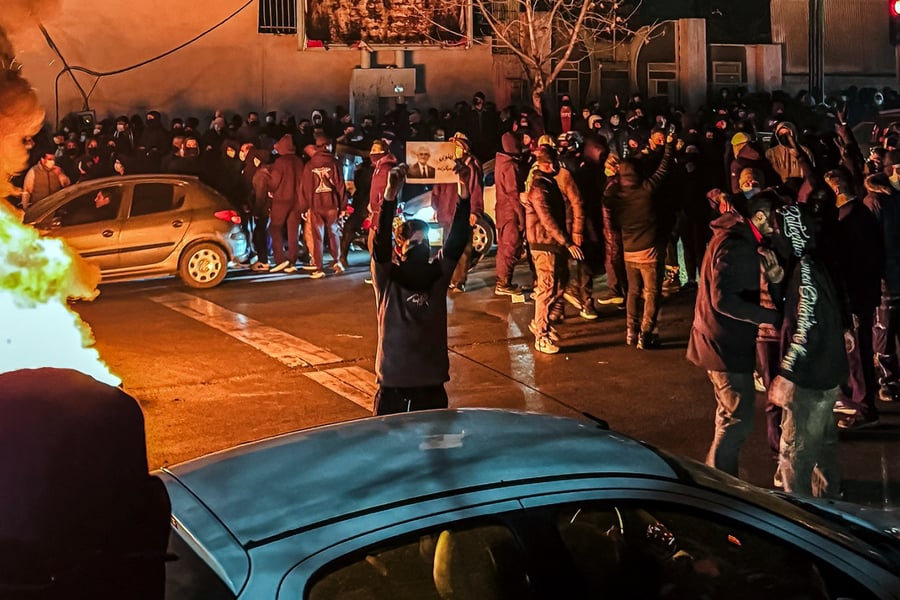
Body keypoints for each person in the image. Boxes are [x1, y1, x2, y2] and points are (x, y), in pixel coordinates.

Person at [687, 192, 784, 478]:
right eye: (776, 219)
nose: (778, 227)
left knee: (729, 416)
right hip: (724, 345)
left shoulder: (733, 236)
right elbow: (724, 300)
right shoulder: (738, 245)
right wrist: (772, 318)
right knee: (736, 421)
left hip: (716, 341)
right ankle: (720, 487)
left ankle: (714, 480)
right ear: (761, 216)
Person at [370, 163, 471, 415]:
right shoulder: (387, 278)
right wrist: (390, 195)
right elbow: (380, 243)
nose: (420, 247)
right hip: (393, 384)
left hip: (431, 383)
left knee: (435, 450)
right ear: (399, 249)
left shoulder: (437, 275)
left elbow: (457, 239)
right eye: (413, 243)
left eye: (424, 242)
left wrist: (464, 190)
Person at [769, 203, 850, 498]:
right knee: (825, 448)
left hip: (809, 380)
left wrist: (787, 374)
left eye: (778, 230)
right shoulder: (814, 263)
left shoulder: (805, 271)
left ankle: (801, 522)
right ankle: (829, 508)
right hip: (826, 375)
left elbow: (805, 326)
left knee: (796, 456)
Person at [602, 128, 675, 349]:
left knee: (633, 292)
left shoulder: (616, 197)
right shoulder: (645, 190)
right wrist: (669, 146)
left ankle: (630, 332)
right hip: (650, 251)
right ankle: (646, 332)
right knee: (651, 293)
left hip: (629, 251)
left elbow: (608, 210)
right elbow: (663, 169)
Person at [524, 144, 584, 354]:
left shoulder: (547, 184)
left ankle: (542, 325)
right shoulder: (540, 188)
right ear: (549, 164)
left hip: (551, 245)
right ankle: (541, 334)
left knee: (558, 287)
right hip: (544, 245)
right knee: (547, 289)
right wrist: (568, 242)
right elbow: (548, 220)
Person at [300, 135, 347, 278]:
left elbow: (305, 188)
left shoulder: (309, 165)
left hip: (316, 205)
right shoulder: (334, 163)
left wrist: (304, 207)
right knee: (334, 233)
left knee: (317, 236)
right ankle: (337, 261)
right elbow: (340, 186)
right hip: (332, 205)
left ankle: (319, 267)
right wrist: (343, 206)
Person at [493, 131, 527, 295]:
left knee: (504, 247)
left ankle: (503, 280)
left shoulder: (501, 162)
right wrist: (521, 218)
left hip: (502, 211)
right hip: (510, 212)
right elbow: (514, 194)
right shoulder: (511, 166)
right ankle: (504, 283)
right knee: (510, 247)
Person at [266, 134, 305, 273]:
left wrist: (269, 188)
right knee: (293, 230)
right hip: (297, 201)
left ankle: (280, 260)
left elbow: (274, 182)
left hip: (281, 200)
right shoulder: (299, 161)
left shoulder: (280, 162)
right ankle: (292, 260)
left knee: (275, 228)